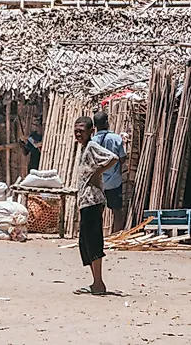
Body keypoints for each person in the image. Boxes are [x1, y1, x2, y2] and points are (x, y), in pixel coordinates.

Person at [73, 116, 118, 296]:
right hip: (86, 201)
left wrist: (98, 172)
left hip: (93, 201)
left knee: (93, 243)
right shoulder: (83, 148)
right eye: (76, 130)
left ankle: (99, 284)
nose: (78, 133)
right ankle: (95, 282)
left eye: (82, 130)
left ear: (91, 131)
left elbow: (113, 158)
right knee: (85, 244)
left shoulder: (91, 146)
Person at [92, 111, 127, 234]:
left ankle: (97, 235)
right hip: (114, 182)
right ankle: (117, 236)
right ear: (106, 122)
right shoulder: (116, 138)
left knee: (97, 211)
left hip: (97, 183)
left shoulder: (92, 141)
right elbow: (122, 158)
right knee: (117, 211)